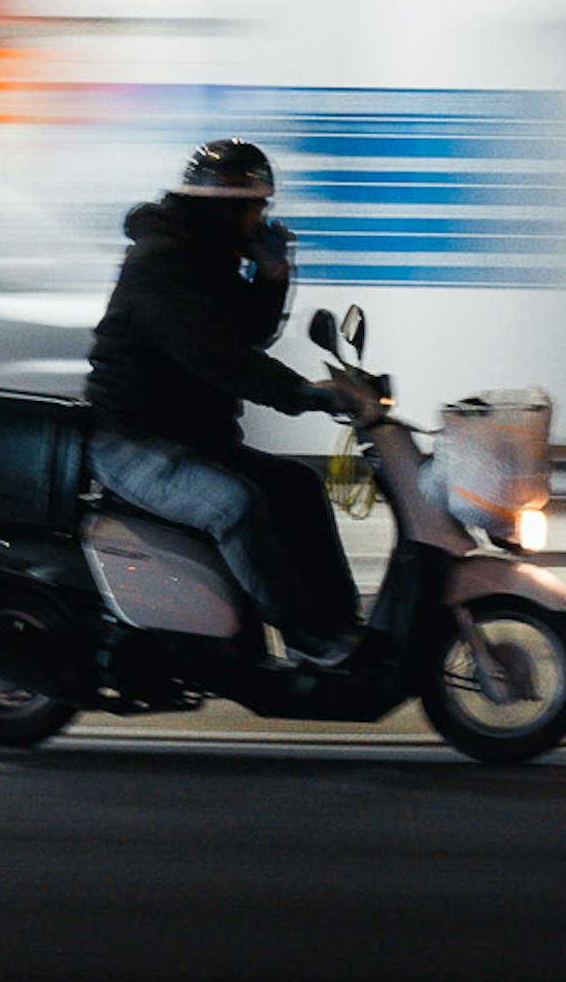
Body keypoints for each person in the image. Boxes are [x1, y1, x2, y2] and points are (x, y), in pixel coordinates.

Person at [81, 138, 373, 668]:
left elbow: (247, 332)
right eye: (254, 208)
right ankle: (304, 632)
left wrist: (271, 274)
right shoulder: (161, 263)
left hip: (193, 438)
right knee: (236, 506)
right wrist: (302, 394)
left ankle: (339, 626)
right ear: (222, 207)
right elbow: (213, 355)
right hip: (133, 441)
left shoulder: (208, 256)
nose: (260, 219)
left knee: (299, 486)